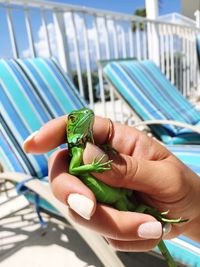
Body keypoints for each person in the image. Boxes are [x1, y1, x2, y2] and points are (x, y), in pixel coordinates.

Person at [23, 115, 200, 251]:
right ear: (72, 130)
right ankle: (158, 217)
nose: (86, 115)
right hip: (119, 197)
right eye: (76, 118)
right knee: (137, 213)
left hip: (122, 193)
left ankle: (158, 217)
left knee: (136, 211)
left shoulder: (87, 144)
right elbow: (75, 169)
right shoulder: (77, 151)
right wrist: (93, 165)